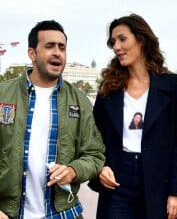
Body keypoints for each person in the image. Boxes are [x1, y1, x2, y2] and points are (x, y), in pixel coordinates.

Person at [91, 14, 177, 219]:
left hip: (160, 178)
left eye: (122, 39)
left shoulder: (172, 85)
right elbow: (95, 138)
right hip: (119, 180)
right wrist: (101, 168)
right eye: (113, 43)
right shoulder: (109, 89)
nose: (116, 47)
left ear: (141, 38)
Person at [0, 20, 105, 219]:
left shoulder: (80, 101)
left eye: (62, 47)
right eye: (50, 46)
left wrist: (74, 170)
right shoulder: (3, 95)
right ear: (32, 53)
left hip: (64, 213)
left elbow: (95, 154)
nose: (57, 52)